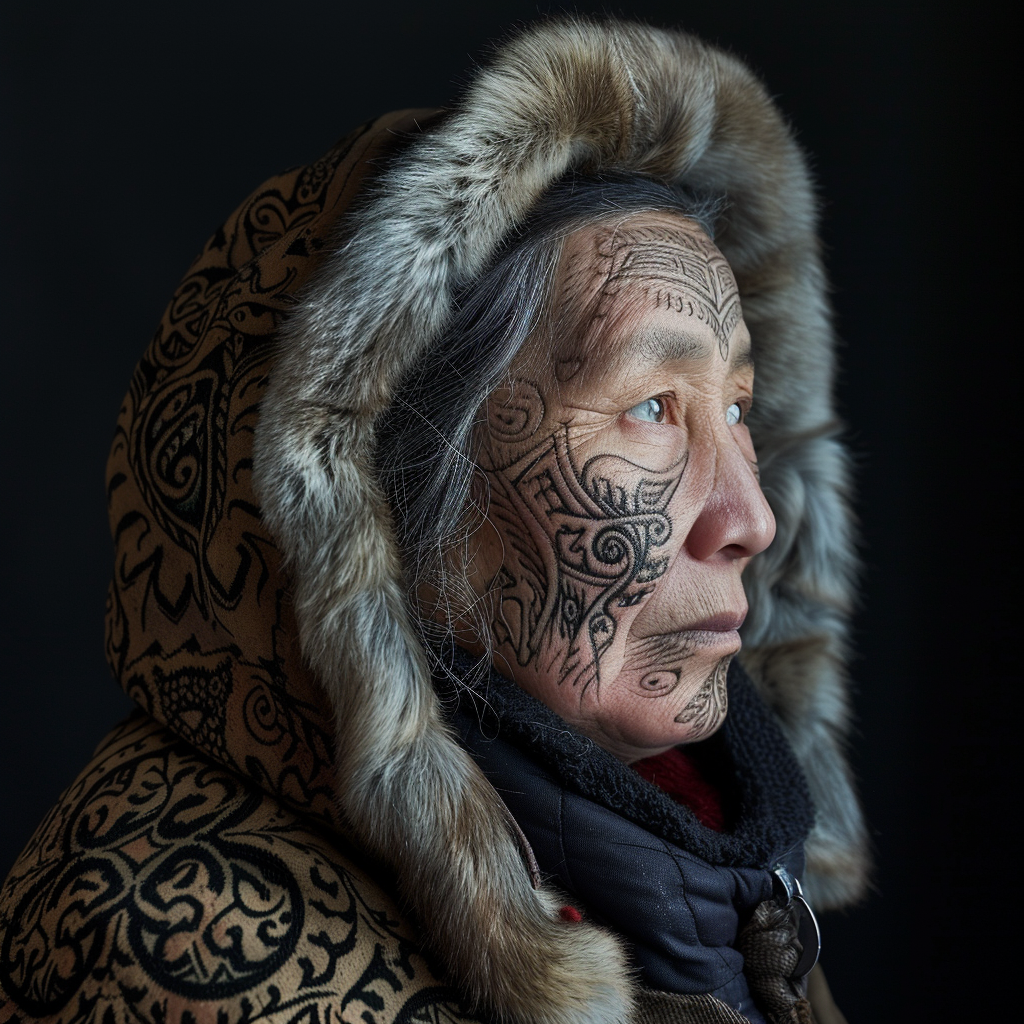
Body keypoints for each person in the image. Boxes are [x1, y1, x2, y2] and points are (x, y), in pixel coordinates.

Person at [0, 18, 866, 1024]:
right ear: (386, 484)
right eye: (650, 408)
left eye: (737, 409)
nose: (748, 518)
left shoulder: (729, 864)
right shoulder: (177, 940)